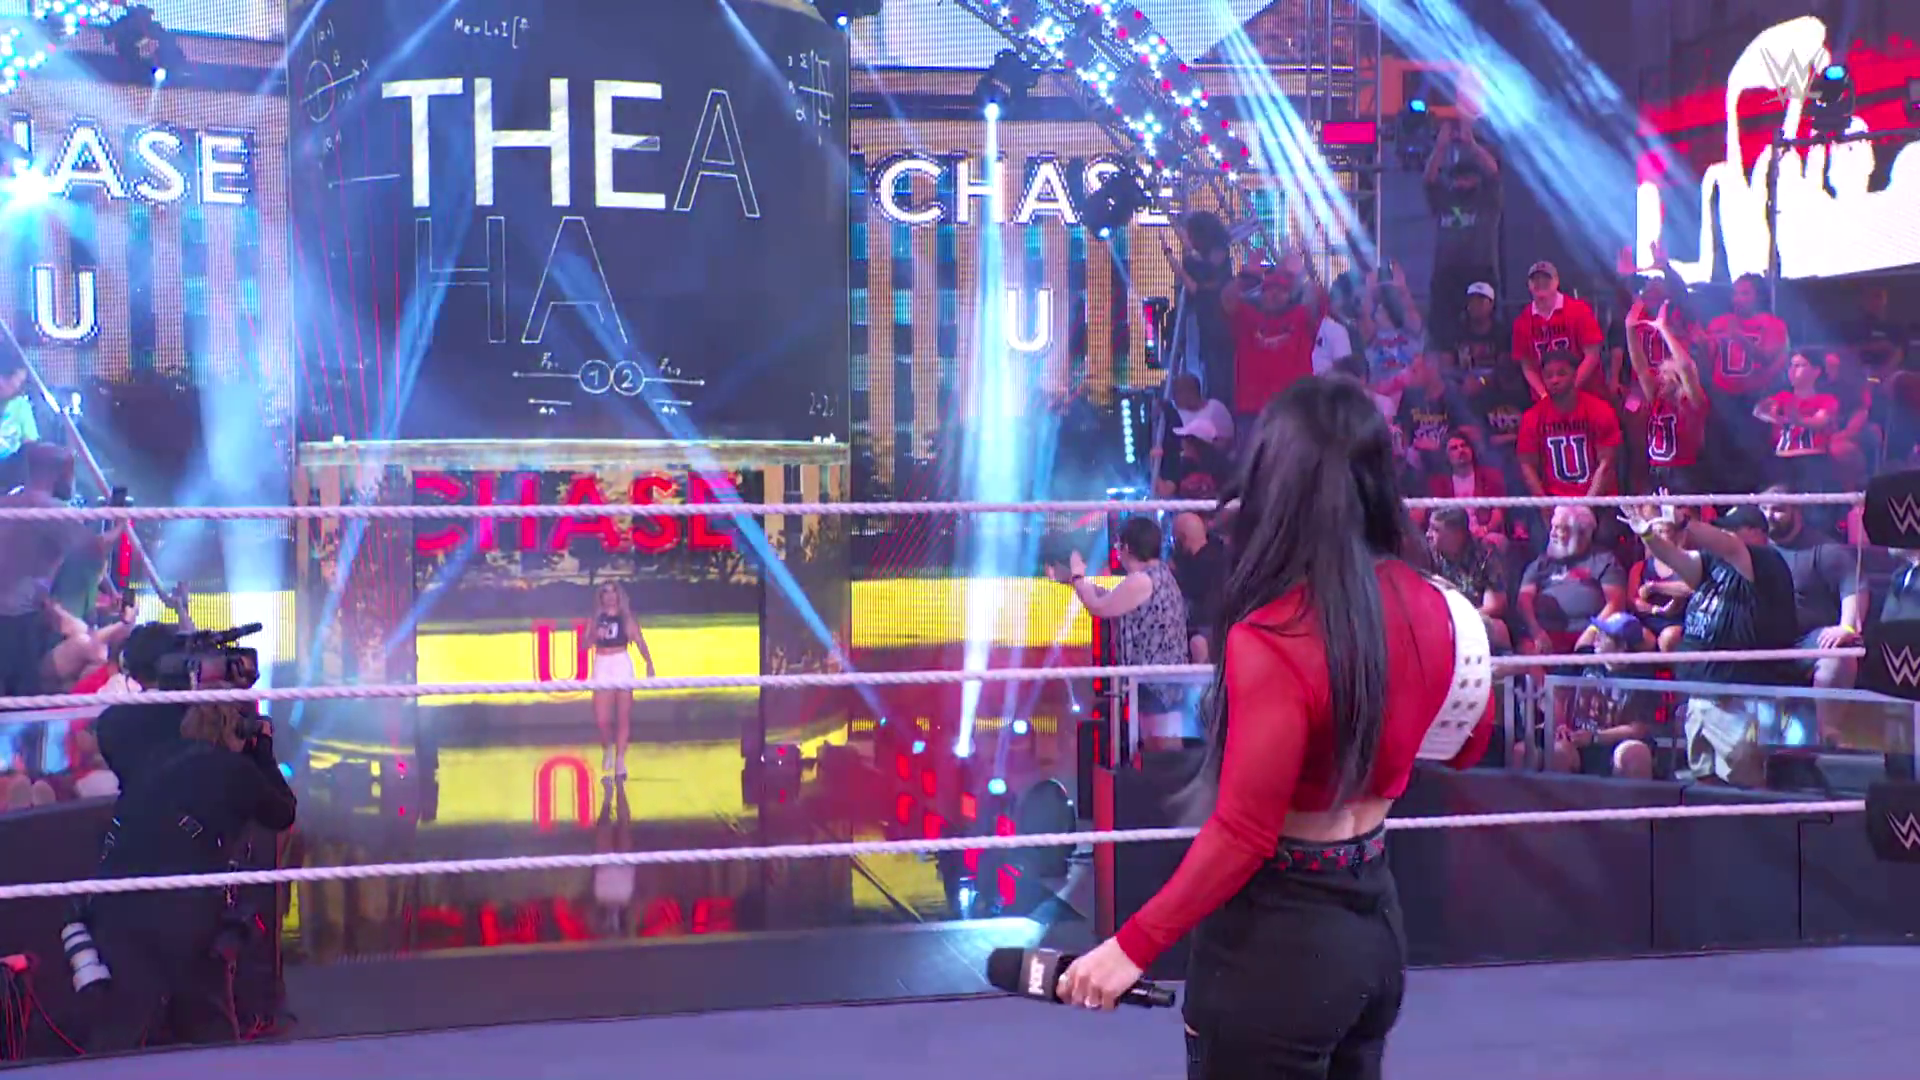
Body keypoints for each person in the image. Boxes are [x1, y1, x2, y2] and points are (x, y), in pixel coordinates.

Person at [1055, 376, 1494, 1078]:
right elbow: (1468, 744)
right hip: (1375, 921)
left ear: (1275, 484)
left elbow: (1244, 832)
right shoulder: (1441, 606)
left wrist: (1131, 946)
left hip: (1279, 940)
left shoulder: (1273, 635)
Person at [81, 701, 296, 1051]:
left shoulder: (151, 759)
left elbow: (109, 725)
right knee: (209, 1027)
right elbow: (282, 812)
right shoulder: (235, 770)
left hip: (116, 902)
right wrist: (263, 754)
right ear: (237, 731)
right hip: (184, 909)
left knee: (122, 1027)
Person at [1621, 505, 1799, 786]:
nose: (1724, 534)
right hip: (1702, 692)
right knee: (1703, 783)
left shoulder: (1767, 561)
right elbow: (1678, 559)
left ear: (1756, 532)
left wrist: (1683, 521)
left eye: (1732, 529)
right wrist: (1648, 535)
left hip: (1738, 700)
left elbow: (1731, 546)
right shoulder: (1714, 562)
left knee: (1742, 784)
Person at [1051, 517, 1191, 751]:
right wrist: (1074, 582)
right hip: (1160, 679)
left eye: (1118, 546)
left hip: (1156, 682)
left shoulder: (1142, 580)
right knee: (1158, 748)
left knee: (1163, 749)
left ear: (1126, 547)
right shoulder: (1157, 574)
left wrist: (1078, 576)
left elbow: (1100, 607)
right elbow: (1112, 599)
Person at [0, 443, 126, 697]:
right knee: (23, 699)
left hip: (23, 615)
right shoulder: (50, 510)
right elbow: (94, 548)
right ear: (56, 473)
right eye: (70, 472)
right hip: (19, 622)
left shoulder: (7, 502)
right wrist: (121, 523)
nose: (73, 480)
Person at [1423, 117, 1501, 344]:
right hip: (1446, 274)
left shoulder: (1486, 199)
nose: (1461, 182)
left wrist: (1471, 145)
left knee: (1482, 333)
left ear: (1476, 179)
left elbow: (1493, 173)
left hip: (1479, 270)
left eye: (1466, 178)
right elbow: (1429, 180)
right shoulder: (1445, 199)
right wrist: (1440, 147)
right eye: (1457, 178)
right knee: (1443, 336)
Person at [1221, 244, 1321, 423]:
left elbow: (1317, 303)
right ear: (1261, 294)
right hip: (1253, 409)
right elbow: (1227, 300)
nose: (1274, 295)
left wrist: (1302, 274)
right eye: (1269, 290)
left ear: (1289, 295)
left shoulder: (1300, 317)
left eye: (1281, 291)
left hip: (1294, 409)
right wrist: (1246, 275)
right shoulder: (1248, 317)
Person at [1625, 302, 1710, 497]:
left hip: (1684, 472)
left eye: (1668, 373)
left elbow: (1686, 367)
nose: (1662, 376)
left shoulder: (1694, 402)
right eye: (1662, 373)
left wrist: (1663, 329)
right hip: (1657, 470)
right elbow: (1640, 367)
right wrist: (1630, 329)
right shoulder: (1657, 397)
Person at [1516, 351, 1623, 505]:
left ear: (1575, 375)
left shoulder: (1600, 410)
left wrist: (1587, 506)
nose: (1555, 380)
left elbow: (1606, 464)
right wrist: (1545, 505)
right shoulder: (1532, 417)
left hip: (1598, 500)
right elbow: (1527, 466)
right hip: (1554, 502)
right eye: (1549, 376)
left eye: (1561, 374)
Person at [1161, 211, 1238, 402]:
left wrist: (1169, 254)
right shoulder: (1206, 256)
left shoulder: (1216, 258)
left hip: (1216, 327)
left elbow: (1194, 286)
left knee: (1216, 376)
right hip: (1207, 324)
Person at [589, 582, 655, 788]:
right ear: (600, 596)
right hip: (602, 663)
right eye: (605, 592)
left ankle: (620, 760)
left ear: (619, 595)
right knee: (602, 718)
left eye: (613, 592)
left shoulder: (626, 618)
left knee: (623, 716)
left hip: (621, 662)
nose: (610, 596)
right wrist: (594, 635)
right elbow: (584, 645)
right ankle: (607, 747)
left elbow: (639, 640)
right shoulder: (596, 618)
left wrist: (649, 663)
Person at [1512, 261, 1604, 398]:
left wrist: (1570, 389)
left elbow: (1592, 355)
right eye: (1535, 279)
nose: (1540, 283)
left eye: (1546, 278)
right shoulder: (1522, 321)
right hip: (1546, 398)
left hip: (1585, 393)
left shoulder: (1579, 310)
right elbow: (1527, 366)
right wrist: (1544, 395)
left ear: (1556, 282)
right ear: (1529, 285)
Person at [1754, 352, 1839, 492]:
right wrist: (1774, 418)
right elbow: (1759, 410)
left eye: (1799, 366)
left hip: (1812, 459)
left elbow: (1819, 422)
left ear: (1816, 371)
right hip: (1781, 460)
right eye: (1791, 365)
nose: (1792, 370)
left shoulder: (1826, 399)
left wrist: (1796, 420)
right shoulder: (1782, 397)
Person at [1171, 512, 1227, 664]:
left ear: (1182, 539)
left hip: (1205, 635)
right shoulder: (1222, 554)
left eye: (1174, 539)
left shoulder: (1193, 571)